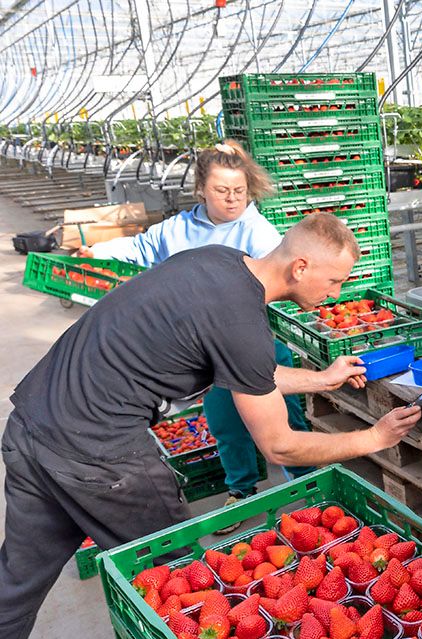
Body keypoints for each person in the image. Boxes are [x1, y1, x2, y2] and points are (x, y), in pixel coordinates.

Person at [0, 213, 422, 639]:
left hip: (34, 423)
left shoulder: (220, 264)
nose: (338, 294)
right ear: (301, 267)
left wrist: (322, 379)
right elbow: (278, 443)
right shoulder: (242, 319)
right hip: (99, 451)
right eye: (335, 280)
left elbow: (248, 373)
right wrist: (373, 439)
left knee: (16, 582)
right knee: (187, 585)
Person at [79, 141, 314, 526]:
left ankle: (306, 484)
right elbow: (140, 248)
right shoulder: (176, 230)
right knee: (225, 421)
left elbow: (282, 276)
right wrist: (96, 251)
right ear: (201, 189)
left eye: (240, 191)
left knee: (284, 417)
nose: (232, 199)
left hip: (254, 343)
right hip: (202, 353)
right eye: (222, 191)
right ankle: (241, 490)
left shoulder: (256, 229)